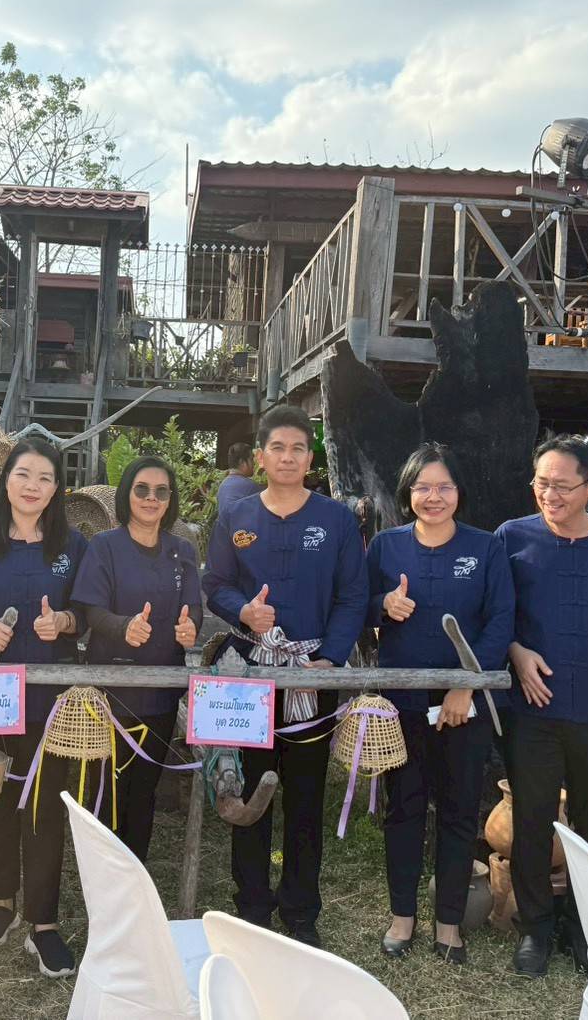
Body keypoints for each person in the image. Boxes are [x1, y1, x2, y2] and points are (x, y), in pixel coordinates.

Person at [202, 405, 367, 950]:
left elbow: (352, 596)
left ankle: (300, 909)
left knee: (304, 794)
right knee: (247, 788)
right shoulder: (238, 516)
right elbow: (216, 584)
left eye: (299, 448)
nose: (289, 457)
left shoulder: (337, 519)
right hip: (248, 673)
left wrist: (333, 659)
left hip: (310, 677)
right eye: (278, 448)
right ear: (260, 457)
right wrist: (243, 613)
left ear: (310, 456)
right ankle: (250, 903)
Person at [496, 435, 588, 976]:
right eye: (541, 483)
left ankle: (587, 929)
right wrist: (516, 652)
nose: (549, 495)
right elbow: (495, 612)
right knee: (532, 821)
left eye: (562, 485)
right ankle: (533, 927)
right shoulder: (512, 537)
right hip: (533, 710)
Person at [0, 437, 87, 978]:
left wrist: (65, 622)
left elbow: (90, 607)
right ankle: (1, 900)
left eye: (45, 478)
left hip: (50, 698)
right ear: (6, 480)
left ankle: (43, 922)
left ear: (56, 489)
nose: (33, 486)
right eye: (24, 474)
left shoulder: (73, 545)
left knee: (46, 804)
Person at [366, 443, 514, 964]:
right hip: (401, 702)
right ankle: (402, 915)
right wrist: (382, 604)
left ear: (459, 492)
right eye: (423, 487)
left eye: (444, 486)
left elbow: (500, 620)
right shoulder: (385, 547)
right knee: (402, 808)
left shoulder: (486, 548)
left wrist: (466, 686)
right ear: (408, 494)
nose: (433, 497)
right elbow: (357, 604)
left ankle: (449, 922)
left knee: (457, 812)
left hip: (464, 706)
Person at [71, 455, 202, 862]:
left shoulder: (182, 551)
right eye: (141, 489)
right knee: (107, 789)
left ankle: (134, 874)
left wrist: (189, 629)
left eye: (161, 491)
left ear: (171, 499)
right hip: (112, 693)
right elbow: (91, 611)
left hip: (160, 693)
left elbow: (192, 610)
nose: (151, 498)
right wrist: (123, 626)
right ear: (126, 494)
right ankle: (104, 878)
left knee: (144, 790)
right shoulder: (104, 547)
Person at [216, 442, 262, 513]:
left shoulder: (223, 485)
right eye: (251, 459)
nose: (254, 463)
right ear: (242, 462)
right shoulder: (249, 486)